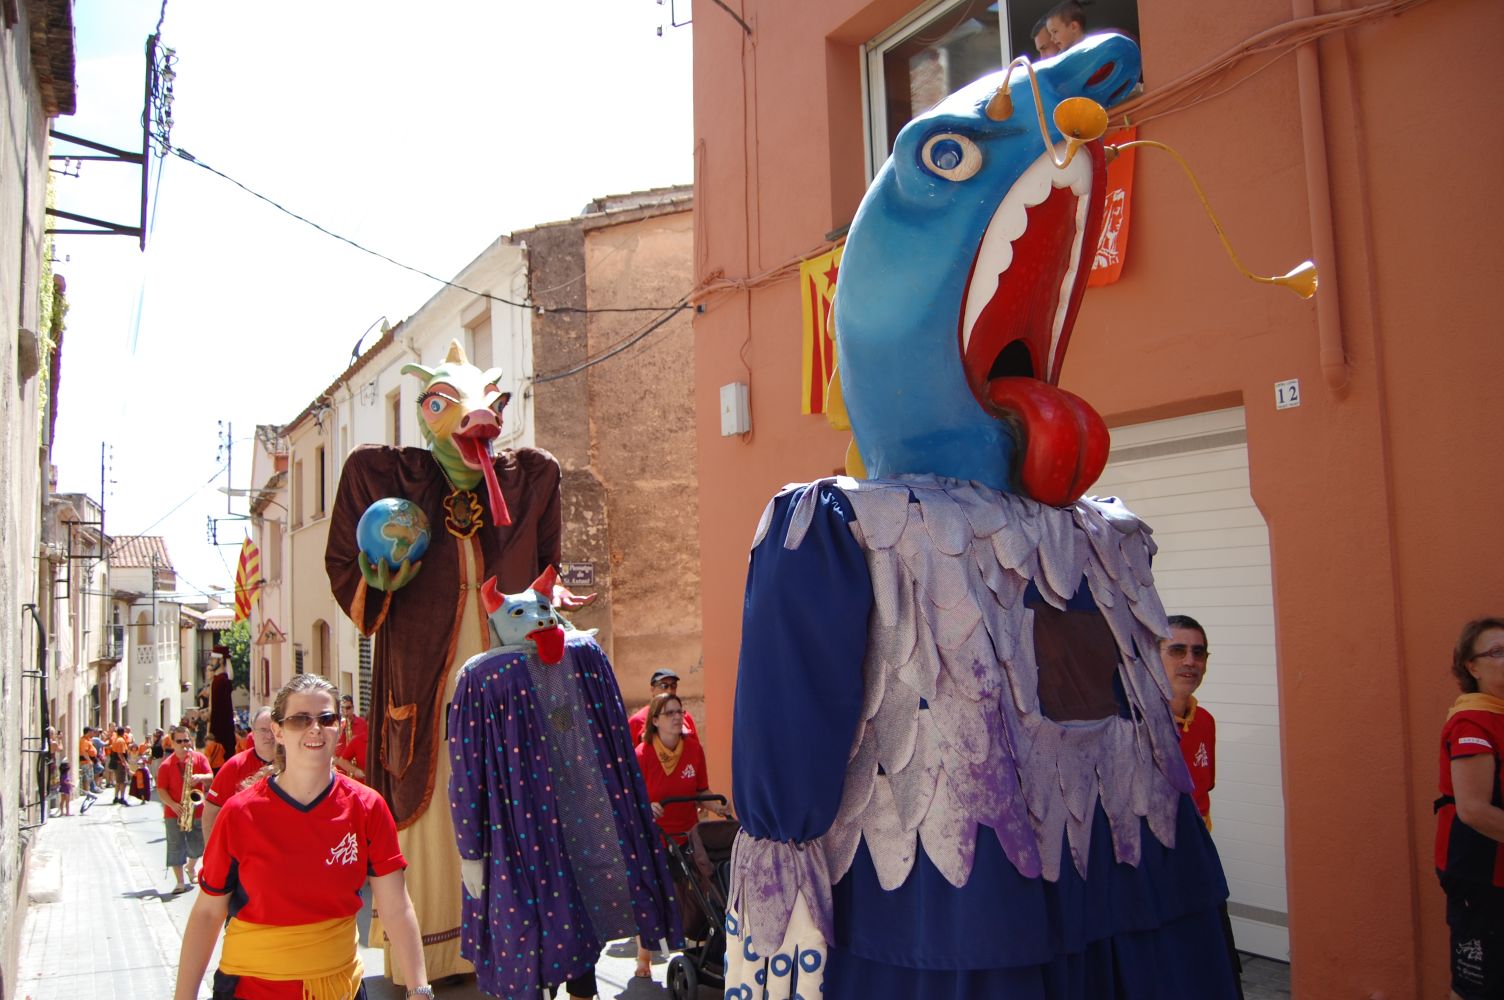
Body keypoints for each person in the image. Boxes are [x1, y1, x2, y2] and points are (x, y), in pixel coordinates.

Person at [173, 673, 432, 1000]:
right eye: (299, 720)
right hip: (251, 991)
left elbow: (397, 907)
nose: (315, 729)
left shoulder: (368, 807)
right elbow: (208, 913)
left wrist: (419, 990)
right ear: (278, 731)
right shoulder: (239, 814)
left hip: (340, 990)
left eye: (326, 718)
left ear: (339, 728)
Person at [633, 692, 727, 978]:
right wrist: (646, 807)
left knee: (697, 893)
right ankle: (644, 958)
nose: (678, 717)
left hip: (687, 836)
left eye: (680, 711)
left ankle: (697, 944)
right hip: (654, 838)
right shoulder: (642, 755)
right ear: (656, 721)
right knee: (652, 896)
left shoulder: (693, 751)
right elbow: (631, 801)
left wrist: (719, 805)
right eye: (670, 713)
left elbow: (700, 790)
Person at [1435, 616, 1504, 1000]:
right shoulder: (1472, 722)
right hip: (1481, 877)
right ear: (1471, 667)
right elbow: (1475, 810)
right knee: (1477, 987)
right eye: (1497, 652)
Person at [1160, 614, 1215, 826]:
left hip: (1198, 846)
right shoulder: (1131, 726)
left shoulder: (1204, 721)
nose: (1190, 661)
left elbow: (1203, 789)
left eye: (1198, 653)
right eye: (1177, 651)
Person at [202, 706, 277, 842]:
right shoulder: (234, 766)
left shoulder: (294, 764)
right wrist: (213, 857)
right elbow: (211, 814)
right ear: (252, 734)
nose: (269, 735)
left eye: (273, 729)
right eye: (263, 730)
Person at [157, 725, 214, 894]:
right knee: (175, 846)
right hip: (174, 812)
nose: (184, 744)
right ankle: (180, 882)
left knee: (199, 845)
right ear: (172, 743)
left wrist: (201, 777)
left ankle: (191, 867)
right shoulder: (166, 765)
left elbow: (211, 777)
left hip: (196, 810)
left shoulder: (199, 758)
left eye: (186, 740)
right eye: (179, 741)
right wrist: (173, 805)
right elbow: (161, 790)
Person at [627, 669, 698, 745]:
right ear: (652, 689)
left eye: (673, 686)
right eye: (663, 686)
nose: (669, 691)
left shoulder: (685, 717)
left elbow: (696, 748)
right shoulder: (637, 721)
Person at [332, 694, 368, 783]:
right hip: (341, 772)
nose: (345, 711)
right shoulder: (336, 726)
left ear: (353, 708)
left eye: (348, 708)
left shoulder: (363, 723)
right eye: (342, 708)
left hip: (358, 773)